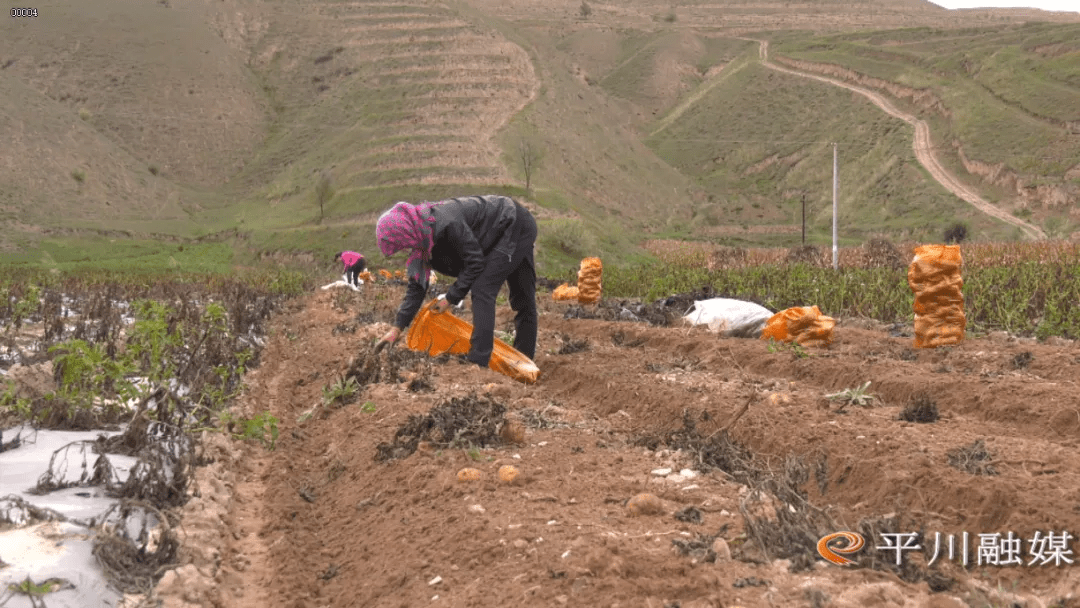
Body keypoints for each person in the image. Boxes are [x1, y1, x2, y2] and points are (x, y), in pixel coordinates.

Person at [373, 195, 538, 368]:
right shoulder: (420, 241)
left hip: (511, 222)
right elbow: (417, 287)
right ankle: (523, 362)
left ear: (405, 233)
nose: (405, 249)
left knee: (487, 289)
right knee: (520, 296)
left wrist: (450, 298)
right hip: (496, 233)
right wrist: (397, 327)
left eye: (401, 244)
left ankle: (479, 360)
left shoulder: (446, 224)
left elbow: (474, 263)